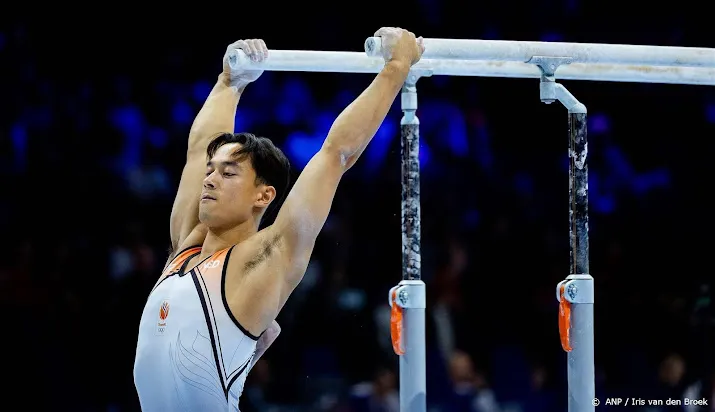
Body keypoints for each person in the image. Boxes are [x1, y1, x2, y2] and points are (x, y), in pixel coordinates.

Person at [133, 27, 424, 411]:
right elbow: (200, 148)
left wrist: (397, 67)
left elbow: (336, 154)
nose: (210, 179)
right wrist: (229, 81)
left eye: (228, 173)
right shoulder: (185, 245)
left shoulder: (266, 258)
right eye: (212, 170)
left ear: (263, 195)